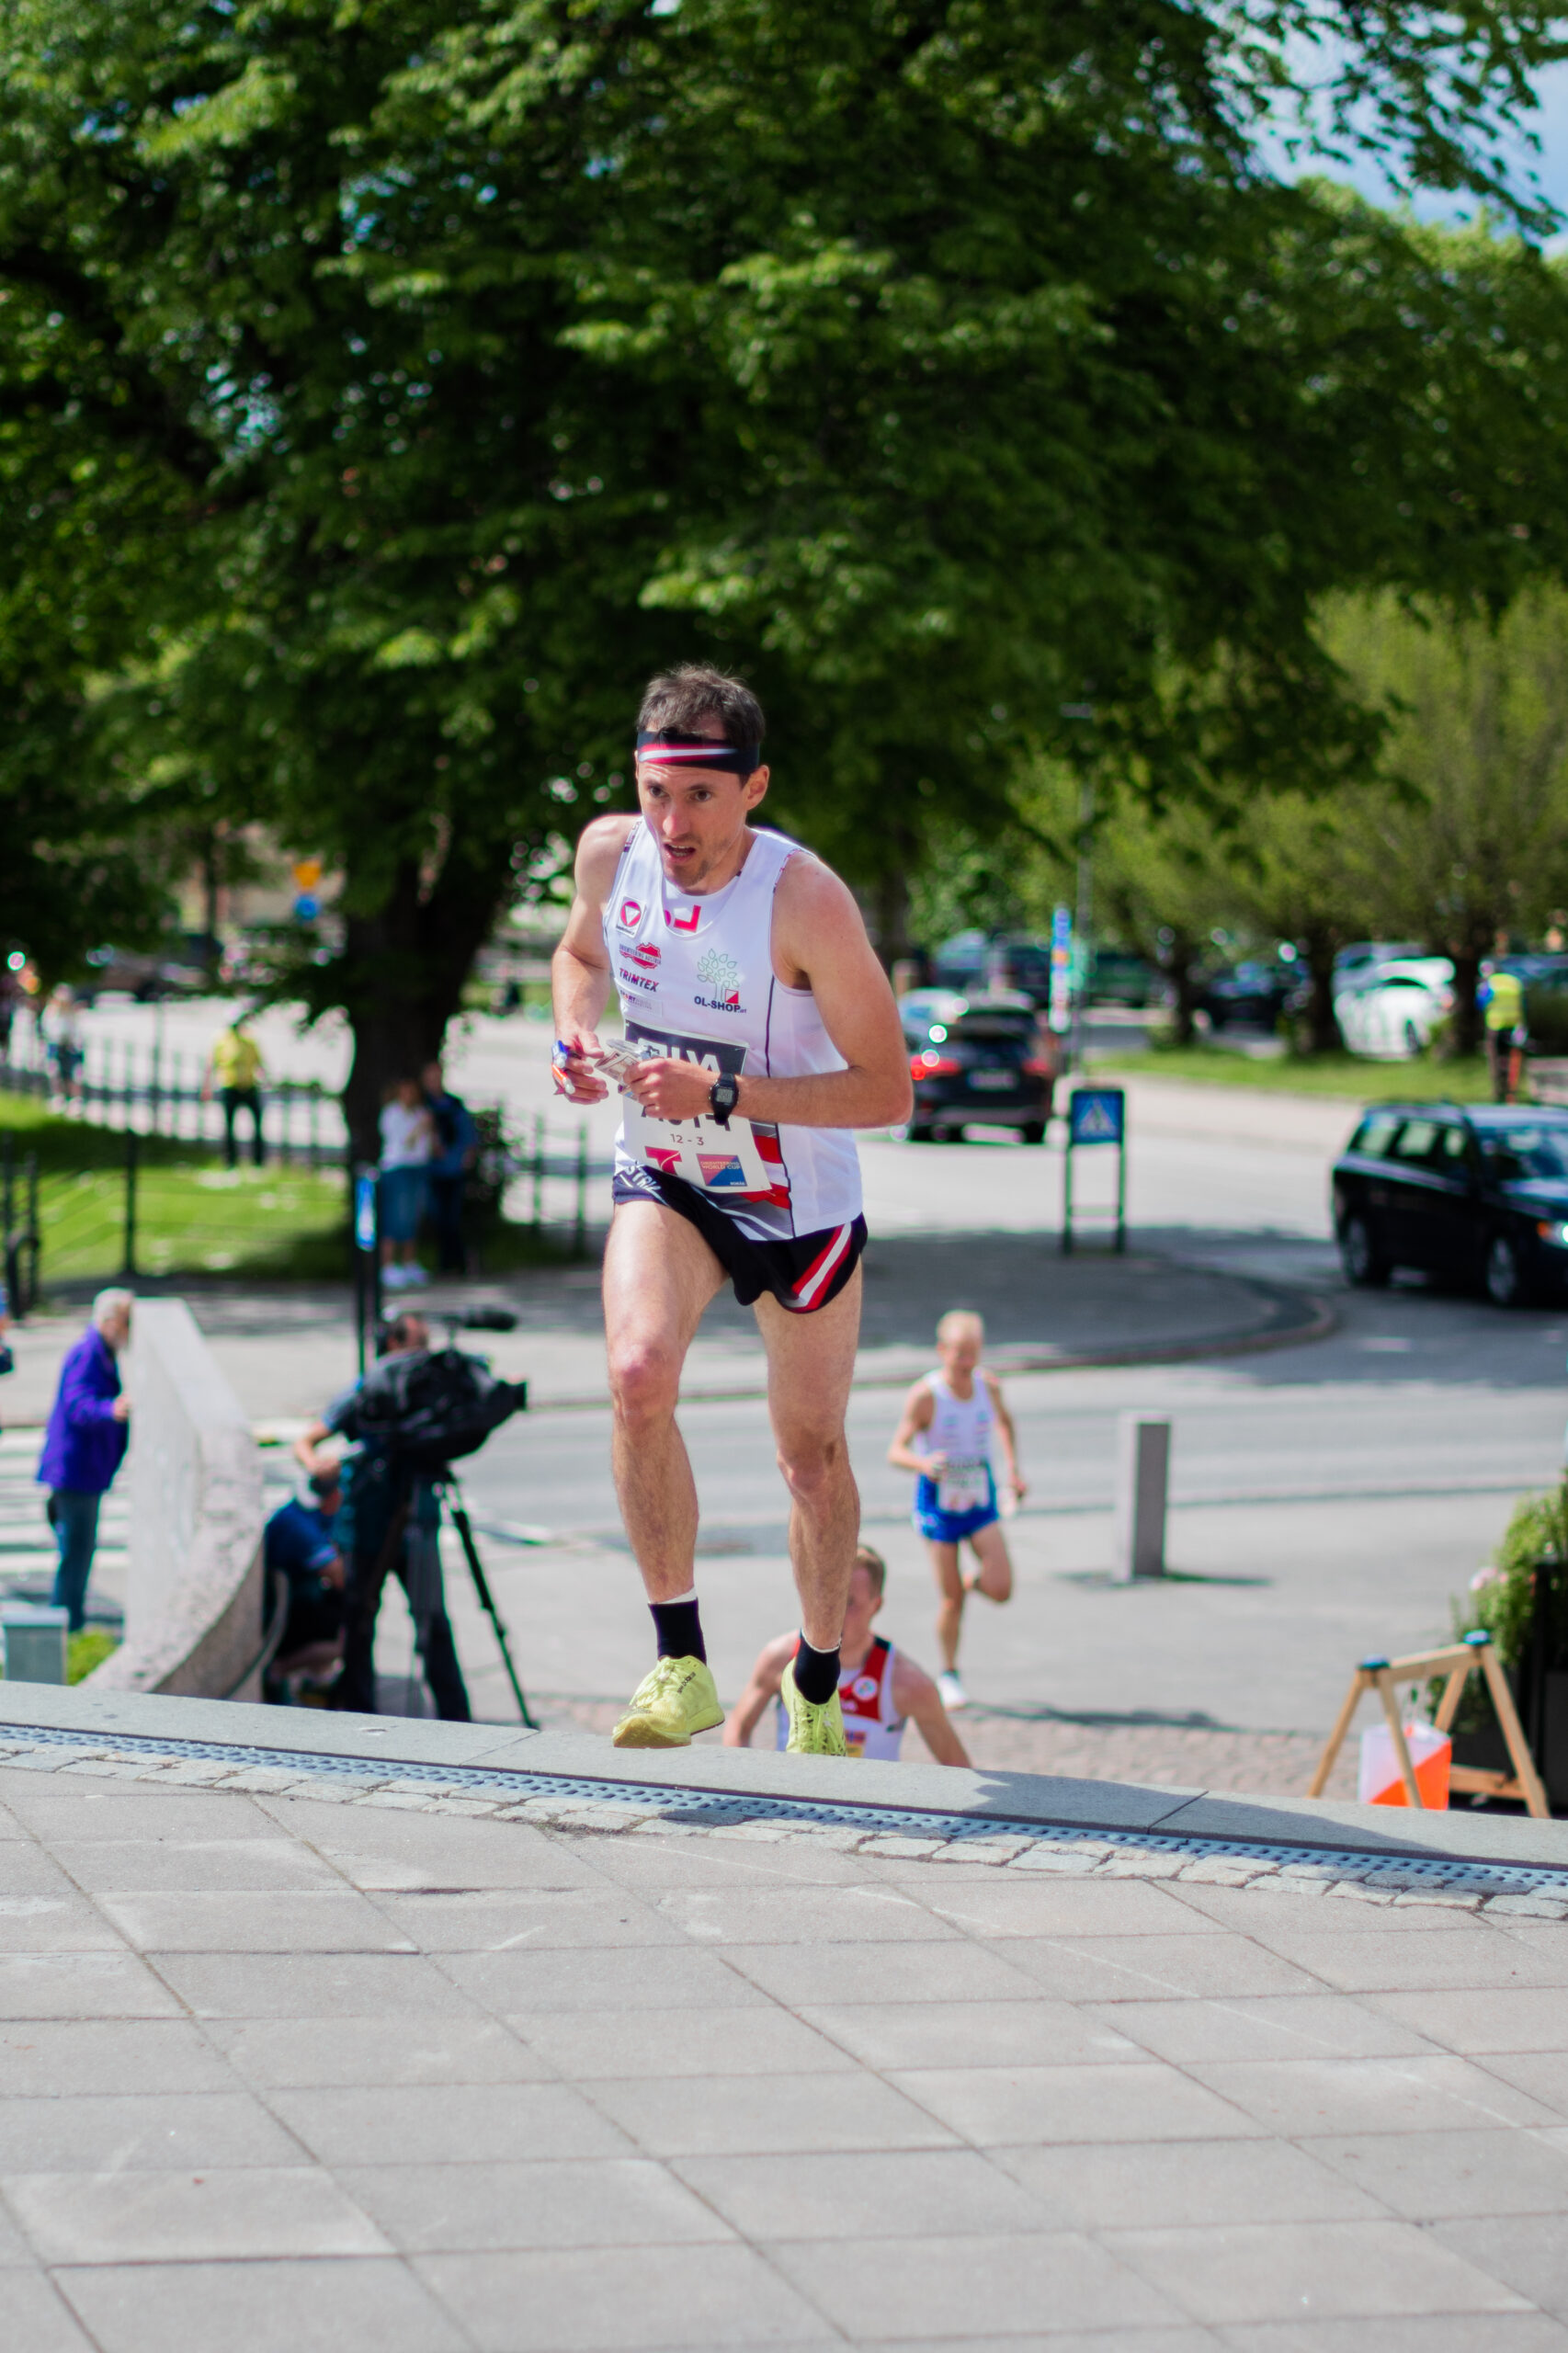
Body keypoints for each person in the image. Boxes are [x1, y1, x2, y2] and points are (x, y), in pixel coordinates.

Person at [551, 663, 911, 1756]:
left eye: (700, 796)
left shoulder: (802, 900)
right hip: (669, 1178)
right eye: (658, 792)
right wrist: (573, 1035)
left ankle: (813, 1675)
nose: (673, 823)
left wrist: (724, 1092)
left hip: (795, 1205)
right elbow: (577, 954)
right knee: (633, 1371)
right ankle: (680, 1660)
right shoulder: (610, 856)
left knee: (808, 1455)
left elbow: (887, 1090)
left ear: (753, 789)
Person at [293, 1312, 471, 1721]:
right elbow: (307, 1440)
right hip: (368, 1523)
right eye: (418, 1343)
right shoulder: (369, 1388)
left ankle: (457, 1719)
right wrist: (316, 1463)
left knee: (433, 1624)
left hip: (419, 1523)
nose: (425, 1353)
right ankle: (358, 1714)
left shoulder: (428, 1392)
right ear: (392, 1344)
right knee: (359, 1619)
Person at [887, 1308, 1024, 1712]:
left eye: (974, 1353)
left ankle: (965, 1582)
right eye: (959, 1354)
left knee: (1001, 1587)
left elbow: (1005, 1424)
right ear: (941, 1350)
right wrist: (923, 1464)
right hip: (940, 1504)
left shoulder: (989, 1387)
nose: (967, 1363)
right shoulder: (927, 1395)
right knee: (951, 1604)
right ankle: (949, 1674)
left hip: (979, 1496)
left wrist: (1013, 1469)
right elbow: (896, 1450)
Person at [725, 1542, 971, 1765]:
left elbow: (959, 1769)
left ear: (876, 1606)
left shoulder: (907, 1682)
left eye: (849, 1602)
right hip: (794, 1808)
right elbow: (738, 1726)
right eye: (827, 1598)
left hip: (867, 1812)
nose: (833, 1613)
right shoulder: (781, 1656)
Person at [36, 1289, 133, 1632]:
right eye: (125, 1322)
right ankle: (66, 1627)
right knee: (75, 1555)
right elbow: (77, 1404)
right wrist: (112, 1409)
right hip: (75, 1473)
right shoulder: (88, 1353)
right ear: (108, 1321)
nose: (128, 1331)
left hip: (83, 1473)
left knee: (77, 1552)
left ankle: (67, 1624)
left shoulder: (100, 1352)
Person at [263, 1468, 347, 1699]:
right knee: (342, 1643)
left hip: (290, 1600)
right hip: (277, 1613)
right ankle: (279, 1670)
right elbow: (339, 1577)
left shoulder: (299, 1510)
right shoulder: (301, 1529)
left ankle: (313, 1680)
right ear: (336, 1497)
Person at [421, 1059, 479, 1276]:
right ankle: (445, 1262)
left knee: (453, 1217)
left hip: (453, 1168)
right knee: (437, 1216)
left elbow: (467, 1134)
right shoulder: (422, 1105)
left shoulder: (454, 1104)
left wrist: (468, 1155)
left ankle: (457, 1262)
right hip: (430, 1169)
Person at [379, 1076, 436, 1289]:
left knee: (412, 1216)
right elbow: (405, 1143)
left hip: (417, 1168)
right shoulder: (392, 1114)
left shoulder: (420, 1112)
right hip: (398, 1168)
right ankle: (388, 1265)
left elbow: (426, 1146)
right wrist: (421, 1127)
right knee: (396, 1216)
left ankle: (409, 1263)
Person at [206, 1010, 267, 1167]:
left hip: (249, 1086)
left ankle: (258, 1161)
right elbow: (212, 1064)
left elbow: (260, 1062)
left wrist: (265, 1080)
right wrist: (207, 1087)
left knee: (257, 1126)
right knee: (229, 1126)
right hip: (229, 1086)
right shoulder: (222, 1040)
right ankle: (230, 1161)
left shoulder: (250, 1040)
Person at [1480, 951, 1525, 1105]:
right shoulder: (1514, 981)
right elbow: (1524, 1004)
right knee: (1512, 1059)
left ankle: (1498, 1091)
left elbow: (1480, 1003)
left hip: (1495, 1025)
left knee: (1495, 1058)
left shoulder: (1490, 983)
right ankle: (1512, 1091)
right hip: (1513, 1026)